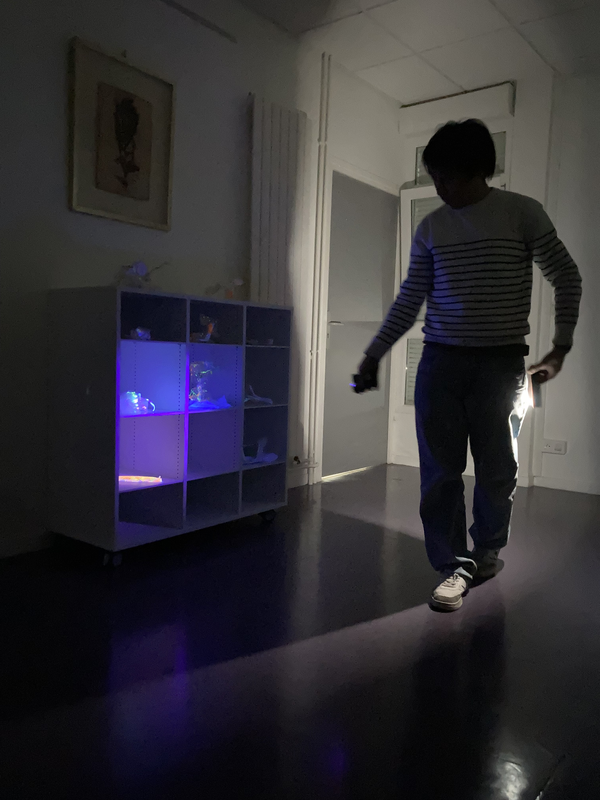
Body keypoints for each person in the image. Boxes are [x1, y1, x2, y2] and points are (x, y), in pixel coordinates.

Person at [355, 119, 582, 611]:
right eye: (434, 176)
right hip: (440, 363)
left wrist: (560, 347)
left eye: (448, 177)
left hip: (500, 364)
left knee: (498, 469)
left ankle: (487, 551)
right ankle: (454, 567)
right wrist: (374, 353)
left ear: (479, 170)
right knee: (440, 473)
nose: (439, 187)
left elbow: (566, 276)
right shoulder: (431, 227)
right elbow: (410, 298)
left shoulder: (521, 213)